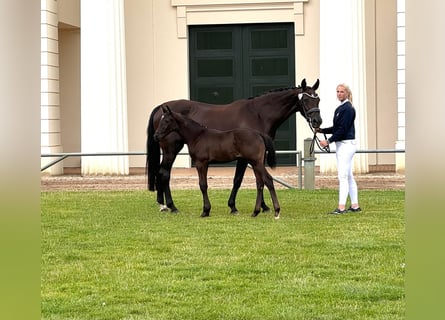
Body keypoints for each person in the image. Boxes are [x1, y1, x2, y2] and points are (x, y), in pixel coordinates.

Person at [317, 83, 361, 214]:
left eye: (342, 91)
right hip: (343, 145)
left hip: (346, 145)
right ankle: (354, 205)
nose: (339, 94)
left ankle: (341, 207)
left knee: (342, 176)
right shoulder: (340, 108)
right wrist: (321, 130)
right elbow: (336, 128)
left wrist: (328, 141)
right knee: (348, 176)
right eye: (337, 91)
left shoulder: (348, 109)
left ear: (347, 93)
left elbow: (342, 130)